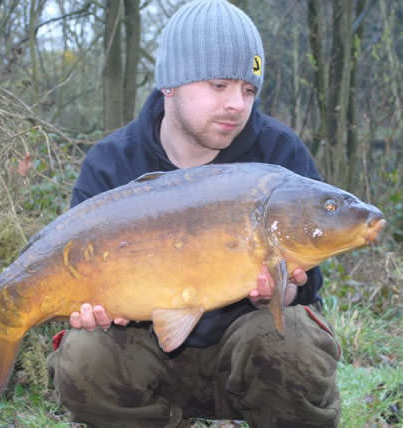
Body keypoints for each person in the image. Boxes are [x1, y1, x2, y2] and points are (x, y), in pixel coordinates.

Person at [47, 1, 341, 427]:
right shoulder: (111, 163)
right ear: (170, 85)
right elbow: (73, 272)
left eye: (248, 90)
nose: (236, 105)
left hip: (245, 357)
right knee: (84, 353)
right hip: (145, 359)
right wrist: (90, 307)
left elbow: (309, 282)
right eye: (219, 85)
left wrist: (282, 291)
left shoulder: (279, 156)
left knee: (292, 337)